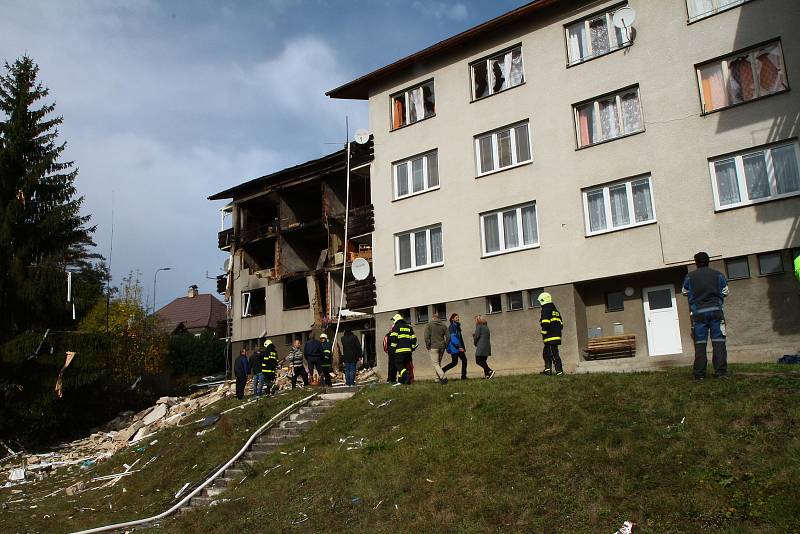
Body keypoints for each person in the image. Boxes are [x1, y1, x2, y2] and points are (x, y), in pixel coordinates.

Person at [682, 251, 730, 380]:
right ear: (708, 261)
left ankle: (699, 374)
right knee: (719, 342)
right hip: (716, 312)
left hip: (698, 314)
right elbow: (725, 291)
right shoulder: (718, 275)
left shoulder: (690, 277)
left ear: (696, 262)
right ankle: (721, 373)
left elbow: (685, 291)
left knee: (700, 344)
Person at [538, 292, 564, 376]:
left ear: (543, 300)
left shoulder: (546, 309)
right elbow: (561, 324)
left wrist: (543, 332)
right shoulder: (556, 311)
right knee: (546, 353)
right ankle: (548, 370)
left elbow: (545, 322)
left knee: (553, 354)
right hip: (555, 336)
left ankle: (559, 371)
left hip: (549, 337)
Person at [388, 313, 417, 385]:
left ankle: (407, 376)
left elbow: (393, 339)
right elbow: (414, 339)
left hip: (399, 351)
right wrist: (412, 347)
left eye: (393, 320)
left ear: (396, 320)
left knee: (398, 364)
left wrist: (392, 349)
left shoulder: (396, 327)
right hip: (408, 352)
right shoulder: (409, 327)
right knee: (403, 365)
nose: (393, 322)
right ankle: (401, 381)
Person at [424, 312, 448, 384]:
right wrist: (446, 344)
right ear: (439, 318)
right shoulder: (444, 325)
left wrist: (428, 346)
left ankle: (443, 377)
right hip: (442, 346)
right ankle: (437, 378)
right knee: (438, 363)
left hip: (433, 346)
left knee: (435, 363)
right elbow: (449, 337)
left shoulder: (429, 325)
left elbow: (426, 337)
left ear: (433, 317)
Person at [442, 313, 468, 380]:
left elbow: (459, 338)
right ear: (452, 319)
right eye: (456, 317)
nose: (458, 318)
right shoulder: (452, 327)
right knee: (458, 362)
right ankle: (442, 371)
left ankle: (463, 376)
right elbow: (453, 338)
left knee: (457, 362)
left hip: (458, 347)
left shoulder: (457, 326)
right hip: (455, 348)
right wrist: (459, 347)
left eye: (458, 317)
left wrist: (462, 346)